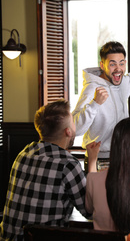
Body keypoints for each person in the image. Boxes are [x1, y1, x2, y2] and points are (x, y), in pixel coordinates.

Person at [0, 99, 91, 241]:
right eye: (73, 121)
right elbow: (90, 211)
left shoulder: (24, 154)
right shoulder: (68, 164)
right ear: (68, 132)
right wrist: (92, 161)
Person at [72, 41, 130, 169]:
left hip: (123, 156)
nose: (118, 69)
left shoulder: (123, 83)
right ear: (102, 65)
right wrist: (95, 104)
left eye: (121, 63)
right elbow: (75, 129)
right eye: (112, 64)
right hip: (99, 160)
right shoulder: (92, 89)